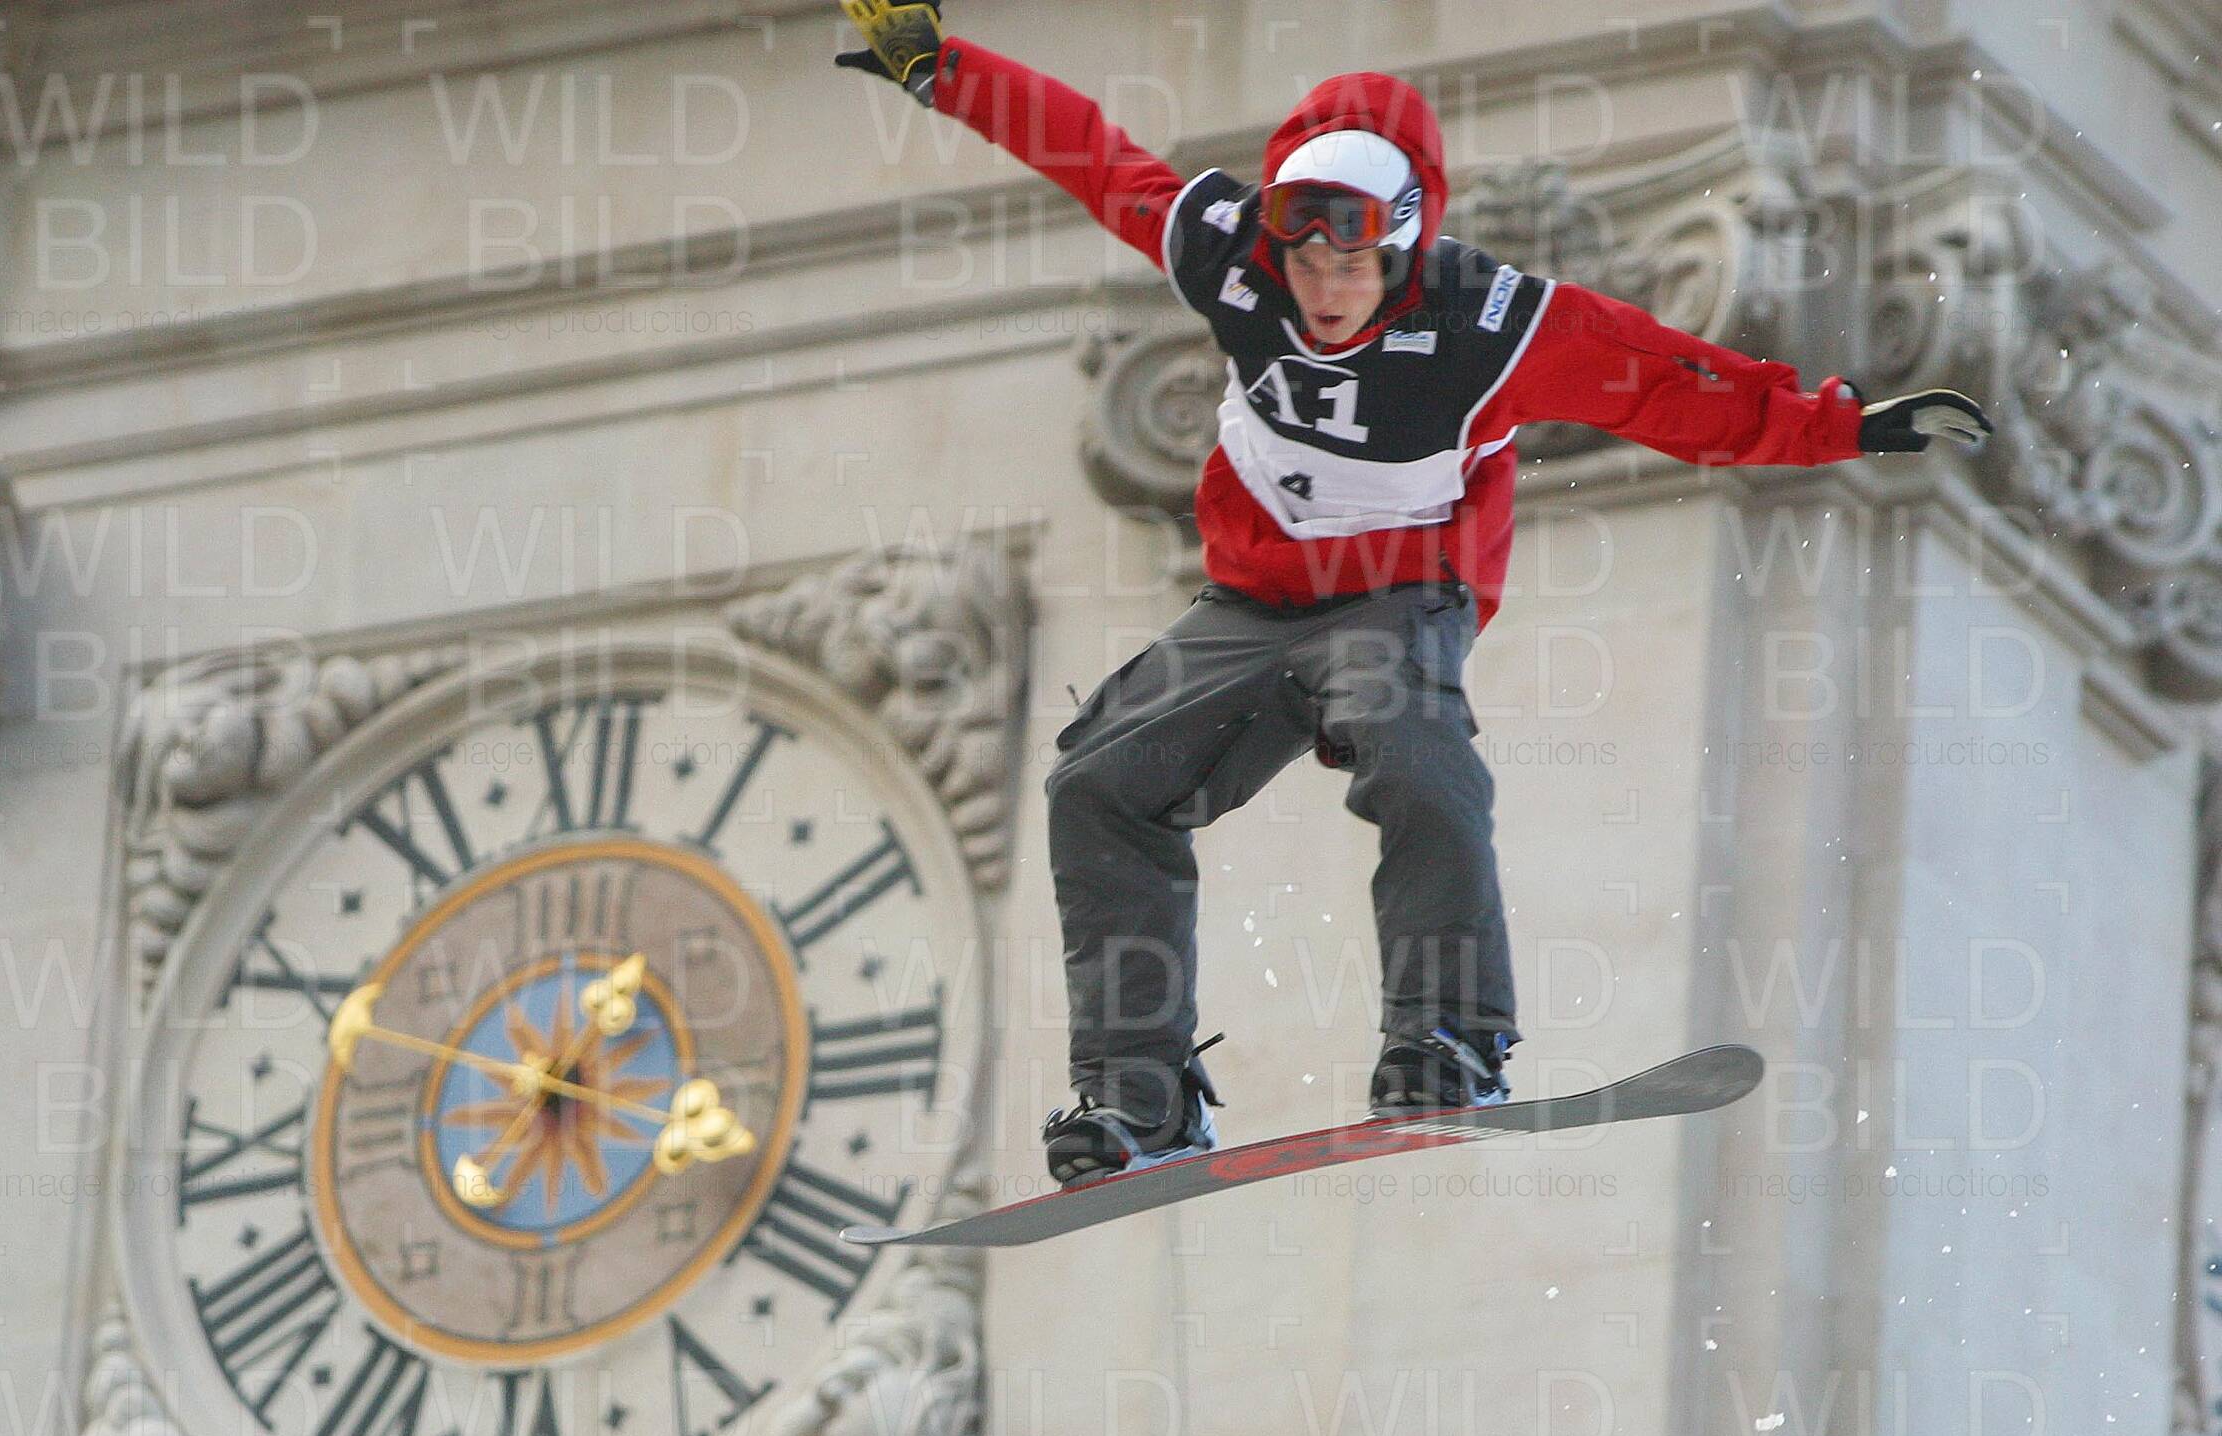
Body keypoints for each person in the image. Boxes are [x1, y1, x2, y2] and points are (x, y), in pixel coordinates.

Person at [835, 2, 1992, 1188]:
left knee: (1413, 754)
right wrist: (943, 71)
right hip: (1255, 604)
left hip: (1396, 600)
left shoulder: (1488, 325)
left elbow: (1671, 384)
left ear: (1400, 246)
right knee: (1098, 783)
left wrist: (1846, 425)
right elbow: (1092, 155)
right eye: (1304, 261)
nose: (1324, 289)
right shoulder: (1226, 253)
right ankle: (1142, 1095)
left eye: (1352, 263)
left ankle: (1450, 1036)